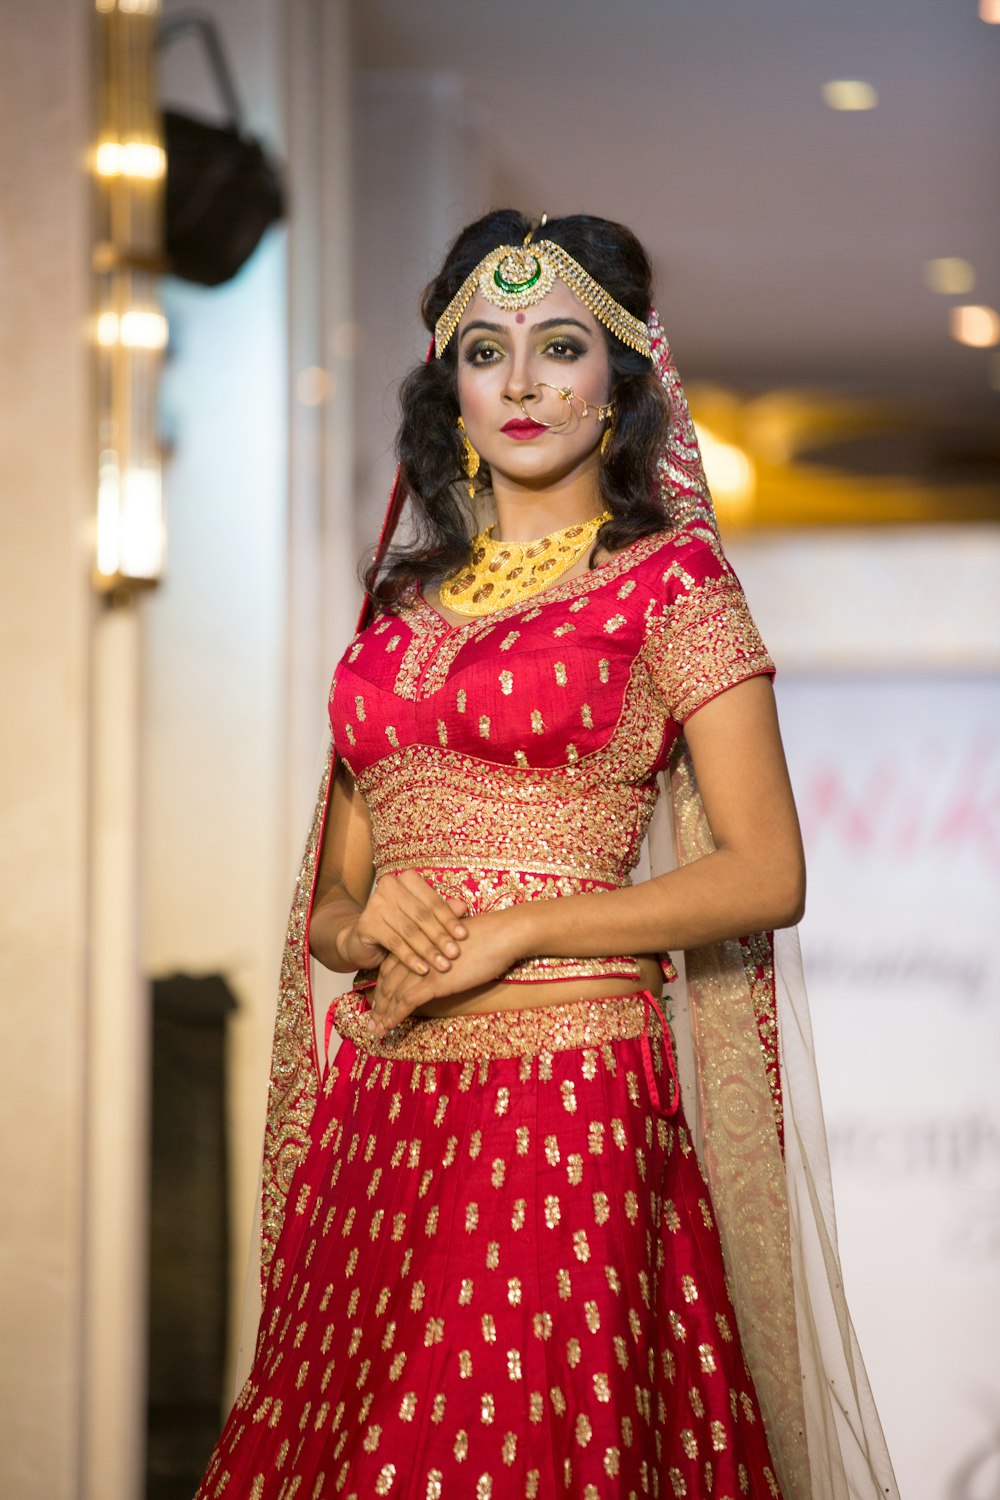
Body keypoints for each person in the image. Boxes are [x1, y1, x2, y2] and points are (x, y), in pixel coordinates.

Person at [195, 211, 898, 1500]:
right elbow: (334, 903)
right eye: (485, 351)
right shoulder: (396, 612)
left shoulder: (670, 585)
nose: (521, 383)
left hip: (566, 1106)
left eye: (560, 347)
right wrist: (365, 928)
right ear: (448, 390)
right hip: (387, 1107)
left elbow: (765, 874)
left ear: (623, 385)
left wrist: (521, 926)